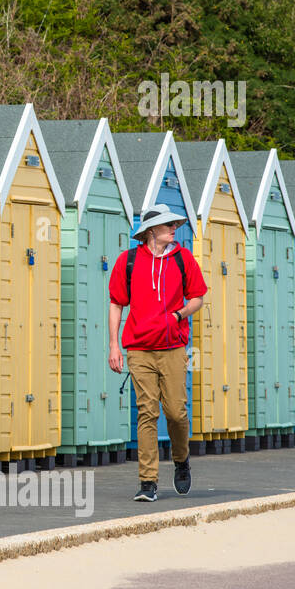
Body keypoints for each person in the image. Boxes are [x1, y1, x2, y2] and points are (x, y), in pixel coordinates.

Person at [107, 204, 207, 502]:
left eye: (174, 225)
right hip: (138, 349)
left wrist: (179, 314)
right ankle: (147, 481)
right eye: (167, 226)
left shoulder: (183, 258)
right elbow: (116, 303)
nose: (173, 229)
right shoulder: (128, 261)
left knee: (176, 413)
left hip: (173, 347)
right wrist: (114, 345)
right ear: (152, 231)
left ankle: (181, 460)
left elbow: (198, 298)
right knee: (147, 412)